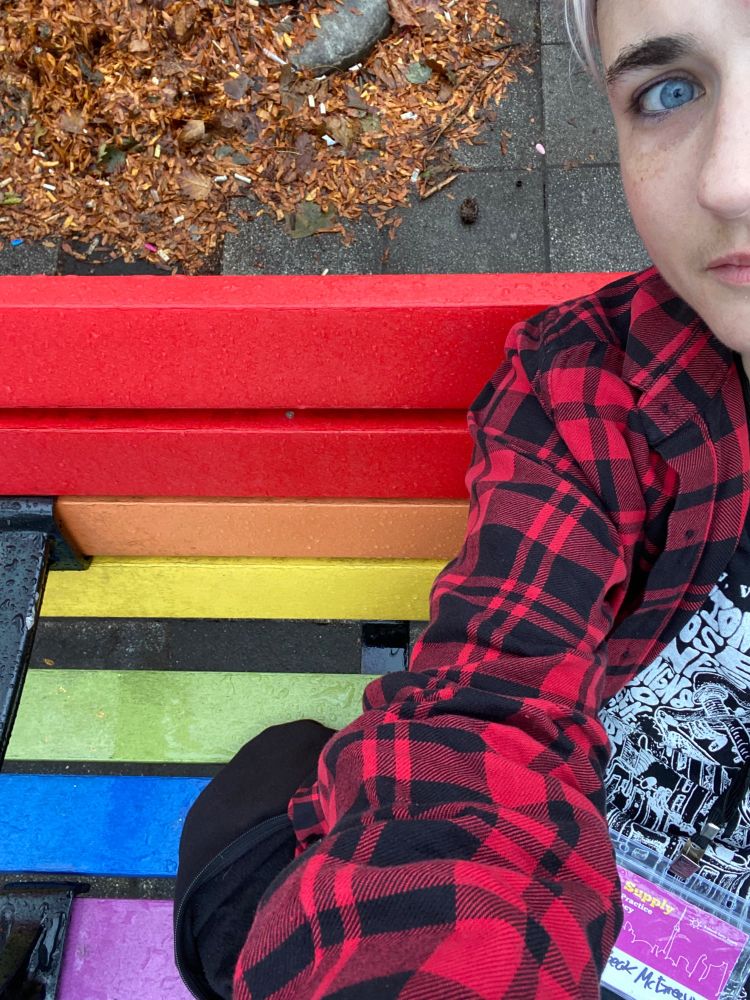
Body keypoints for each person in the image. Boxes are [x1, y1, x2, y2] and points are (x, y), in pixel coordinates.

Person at [174, 0, 750, 996]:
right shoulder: (597, 387)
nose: (729, 178)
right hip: (562, 894)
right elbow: (492, 701)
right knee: (254, 832)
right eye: (667, 92)